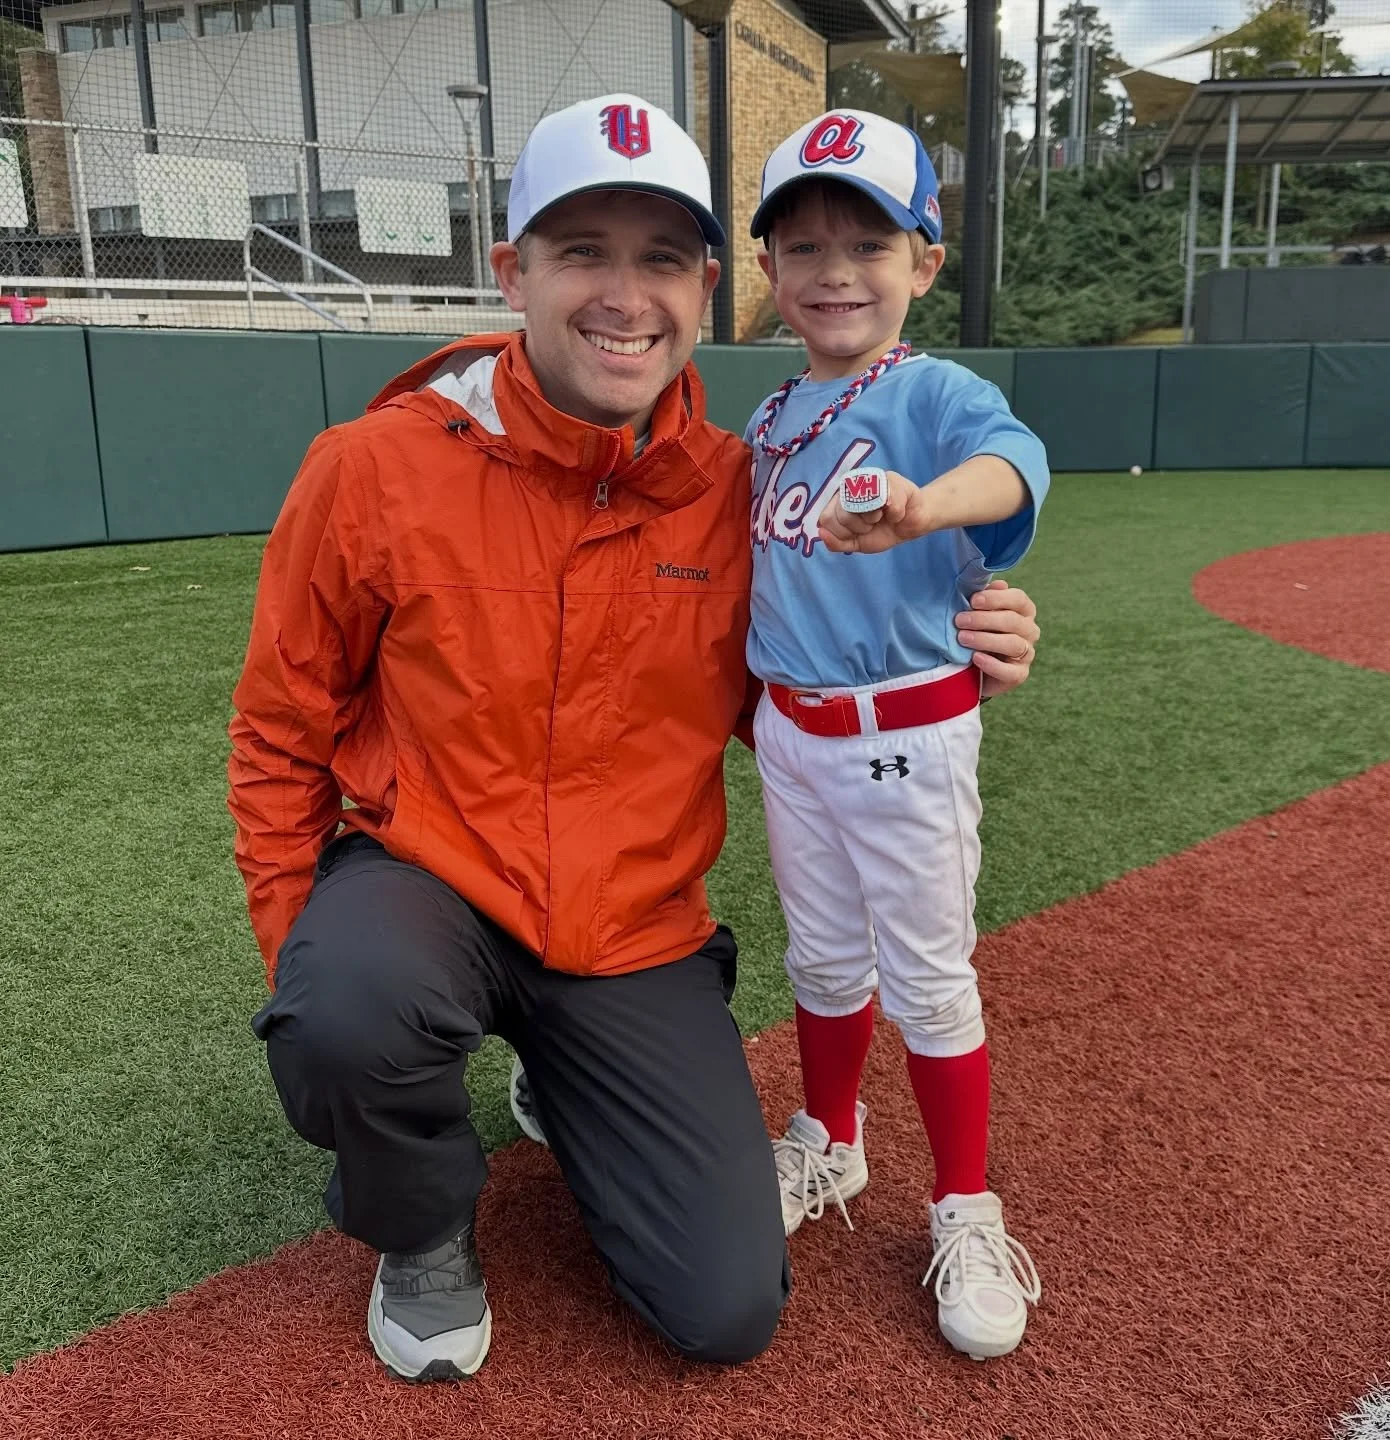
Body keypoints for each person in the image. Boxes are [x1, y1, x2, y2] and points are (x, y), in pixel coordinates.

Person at [227, 93, 1042, 1385]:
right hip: (426, 884)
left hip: (624, 923)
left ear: (710, 285)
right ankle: (424, 1223)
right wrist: (305, 966)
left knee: (725, 1312)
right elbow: (278, 738)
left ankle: (565, 1075)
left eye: (660, 257)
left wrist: (956, 656)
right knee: (351, 1010)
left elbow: (792, 677)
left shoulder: (736, 483)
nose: (624, 294)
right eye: (582, 250)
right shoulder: (371, 466)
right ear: (514, 271)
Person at [743, 110, 1047, 1361]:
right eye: (803, 243)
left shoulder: (933, 391)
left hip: (907, 733)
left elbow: (1016, 469)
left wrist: (929, 507)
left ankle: (965, 1204)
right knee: (820, 962)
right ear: (767, 270)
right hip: (792, 738)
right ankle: (830, 1143)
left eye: (868, 241)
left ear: (924, 262)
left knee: (927, 976)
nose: (833, 269)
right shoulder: (765, 422)